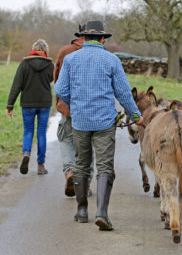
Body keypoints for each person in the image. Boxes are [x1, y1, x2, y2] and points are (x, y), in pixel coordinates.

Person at [55, 20, 143, 231]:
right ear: (103, 39)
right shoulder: (111, 60)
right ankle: (102, 213)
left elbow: (60, 89)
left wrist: (75, 105)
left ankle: (82, 211)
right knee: (104, 166)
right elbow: (123, 92)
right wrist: (136, 115)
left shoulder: (71, 59)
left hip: (80, 121)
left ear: (83, 38)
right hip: (104, 122)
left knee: (81, 164)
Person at [54, 24, 93, 198]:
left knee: (65, 138)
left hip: (68, 107)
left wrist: (62, 102)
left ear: (79, 35)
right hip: (90, 108)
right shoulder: (100, 53)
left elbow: (57, 79)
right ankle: (85, 184)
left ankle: (69, 171)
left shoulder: (65, 52)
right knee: (87, 144)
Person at [7, 39, 54, 175]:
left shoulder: (24, 64)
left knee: (28, 131)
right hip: (44, 104)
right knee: (41, 133)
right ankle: (40, 165)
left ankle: (26, 153)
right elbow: (53, 80)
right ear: (45, 51)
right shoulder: (49, 65)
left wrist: (10, 104)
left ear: (33, 49)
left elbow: (16, 85)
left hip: (27, 103)